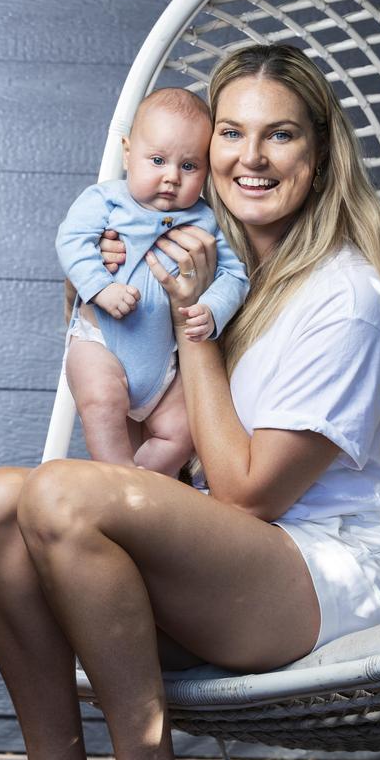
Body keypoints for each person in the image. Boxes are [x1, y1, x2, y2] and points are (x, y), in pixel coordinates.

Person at [0, 44, 380, 760]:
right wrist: (116, 311)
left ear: (321, 155)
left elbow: (249, 491)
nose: (249, 159)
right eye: (231, 132)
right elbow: (148, 401)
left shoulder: (348, 299)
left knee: (64, 493)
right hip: (229, 556)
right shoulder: (216, 262)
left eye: (281, 136)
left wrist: (192, 330)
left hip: (317, 575)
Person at [57, 88, 249, 473]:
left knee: (183, 429)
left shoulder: (205, 220)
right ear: (128, 153)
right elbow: (71, 240)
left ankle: (140, 487)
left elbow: (236, 276)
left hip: (165, 365)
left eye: (189, 166)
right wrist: (99, 287)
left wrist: (212, 309)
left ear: (207, 169)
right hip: (101, 345)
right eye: (158, 160)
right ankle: (117, 479)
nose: (171, 178)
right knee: (100, 401)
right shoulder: (106, 201)